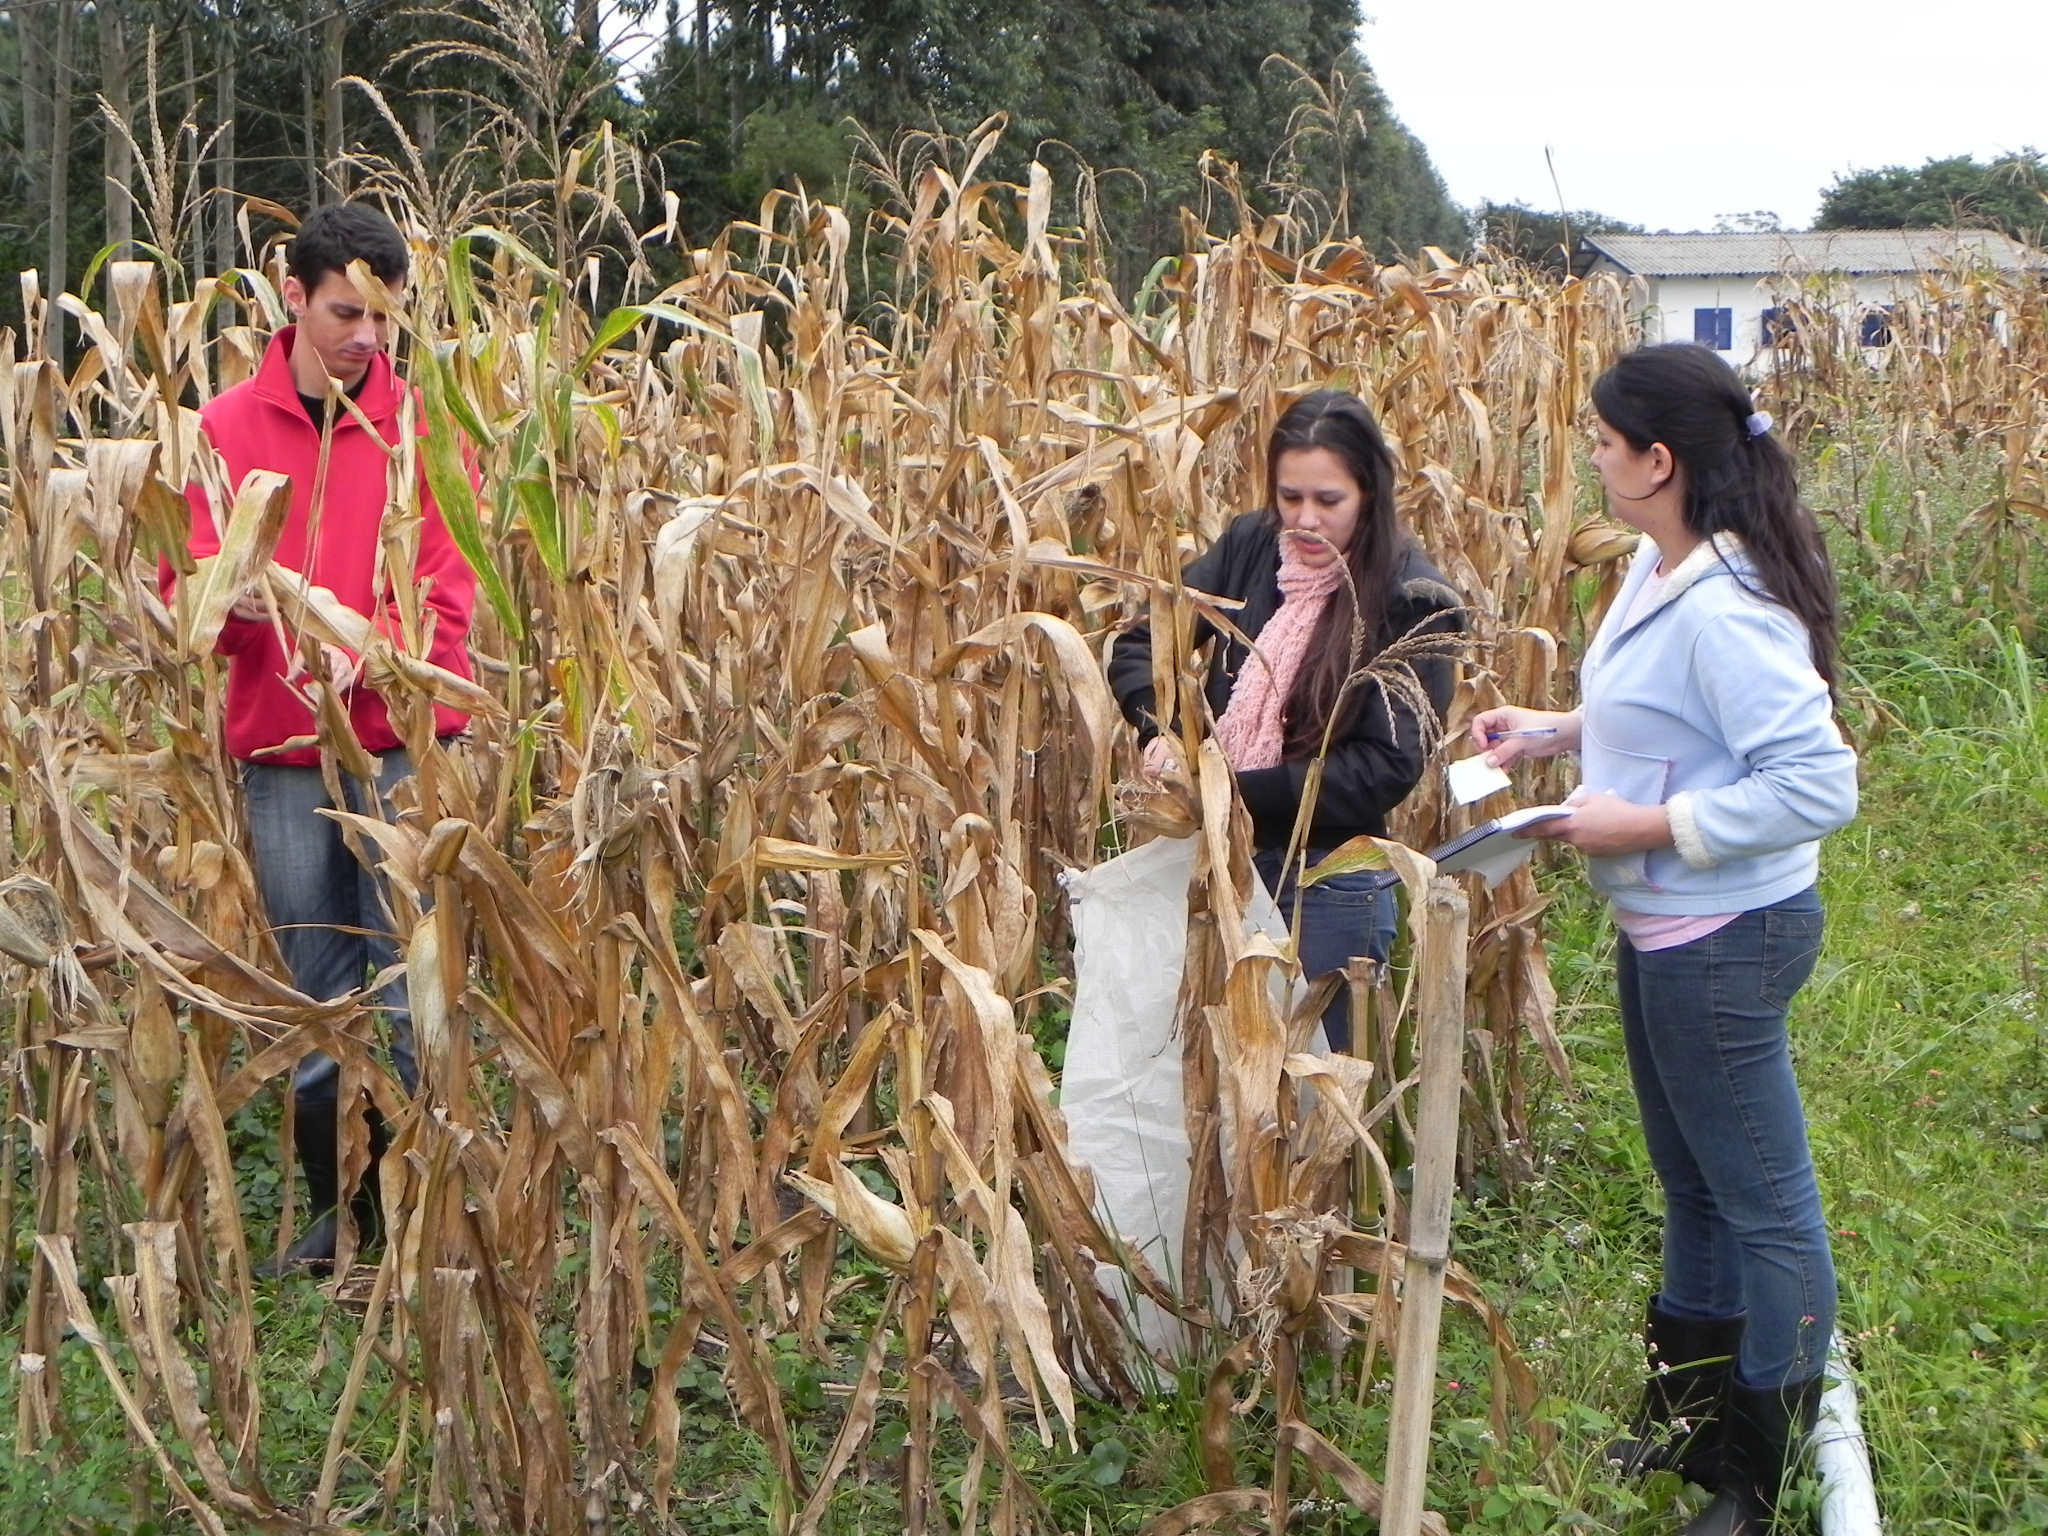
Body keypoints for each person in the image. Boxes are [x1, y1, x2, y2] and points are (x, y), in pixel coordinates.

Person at [1469, 343, 1856, 1535]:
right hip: (1665, 925)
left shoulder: (1731, 603)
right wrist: (1557, 728)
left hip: (1726, 934)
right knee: (1690, 1183)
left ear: (1657, 460)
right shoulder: (1659, 561)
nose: (1587, 452)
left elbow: (1816, 781)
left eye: (1600, 437)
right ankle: (1689, 1427)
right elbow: (1663, 702)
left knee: (1766, 1207)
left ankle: (1756, 1474)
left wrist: (1646, 819)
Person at [172, 202, 479, 1272]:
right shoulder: (223, 431)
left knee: (404, 988)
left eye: (385, 320)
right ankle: (331, 1215)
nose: (367, 338)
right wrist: (241, 601)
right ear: (293, 297)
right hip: (282, 757)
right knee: (314, 994)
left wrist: (372, 645)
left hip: (398, 747)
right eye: (347, 313)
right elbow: (188, 580)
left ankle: (410, 1210)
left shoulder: (419, 429)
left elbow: (451, 581)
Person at [1108, 389, 1463, 1052]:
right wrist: (1161, 730)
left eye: (1329, 502)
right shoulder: (1252, 546)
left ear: (1371, 494)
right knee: (1209, 1084)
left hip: (1329, 885)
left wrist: (1222, 786)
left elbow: (1383, 770)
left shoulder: (1413, 600)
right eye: (1289, 497)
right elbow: (1142, 643)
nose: (1304, 520)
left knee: (1310, 1111)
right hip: (1217, 865)